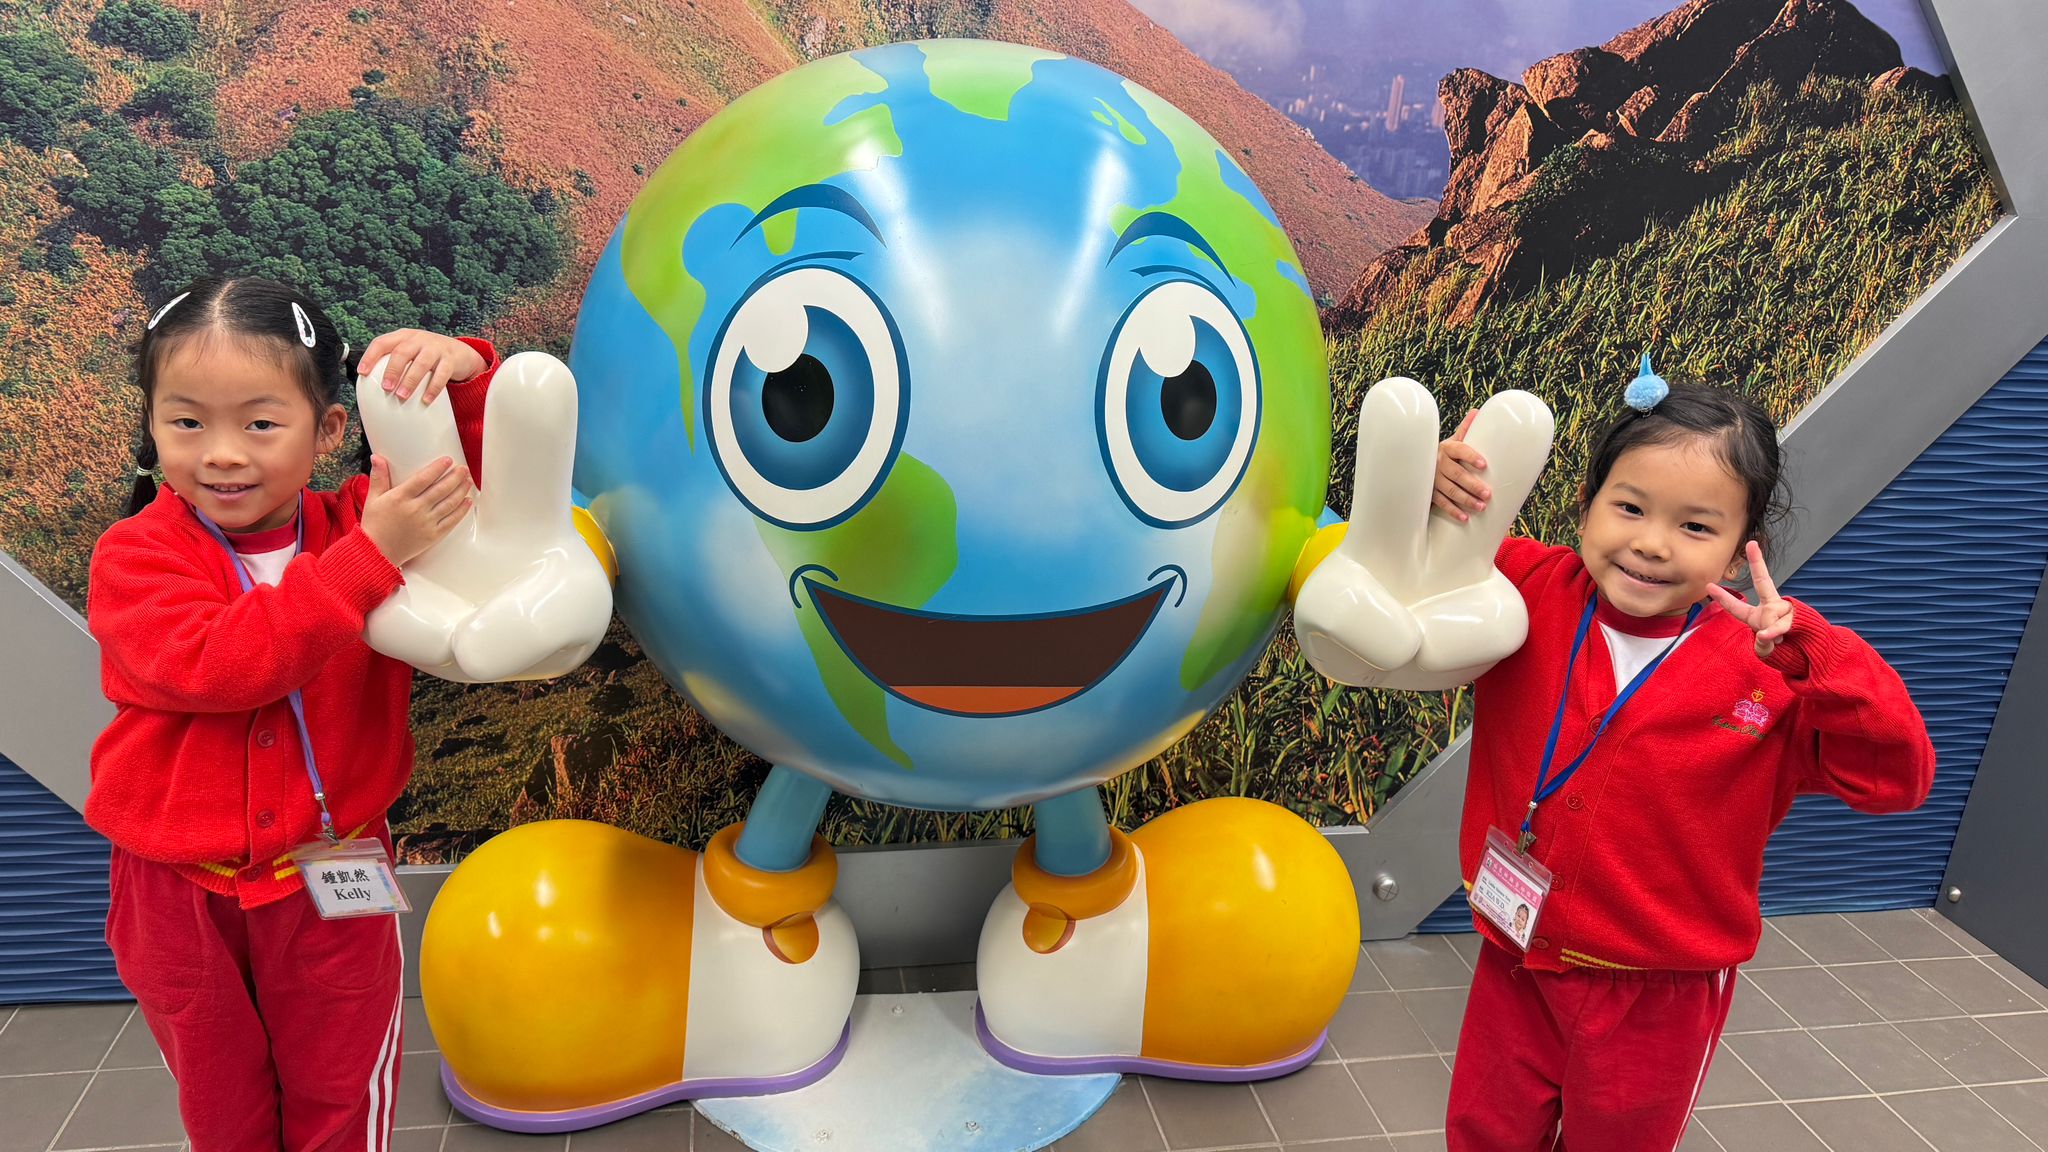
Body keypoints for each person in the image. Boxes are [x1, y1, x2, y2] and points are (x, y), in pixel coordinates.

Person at [1429, 361, 1935, 1150]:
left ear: (1738, 553)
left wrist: (1818, 652)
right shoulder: (1524, 586)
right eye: (1629, 507)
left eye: (1696, 527)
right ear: (1586, 504)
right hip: (1514, 956)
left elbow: (1897, 779)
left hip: (1655, 994)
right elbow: (1413, 570)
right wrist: (1431, 494)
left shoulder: (1772, 675)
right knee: (1483, 1133)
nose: (1651, 543)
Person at [85, 275, 498, 1152]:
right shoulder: (134, 556)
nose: (221, 455)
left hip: (331, 874)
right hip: (177, 895)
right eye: (186, 422)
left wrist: (463, 377)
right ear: (152, 425)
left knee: (341, 1098)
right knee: (223, 1112)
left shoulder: (364, 524)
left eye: (260, 424)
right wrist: (370, 560)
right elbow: (221, 665)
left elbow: (477, 497)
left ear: (330, 430)